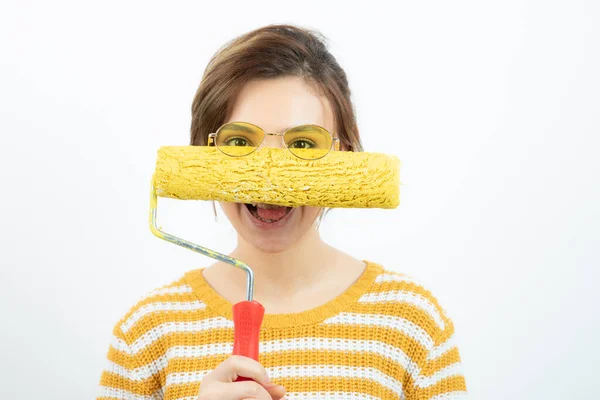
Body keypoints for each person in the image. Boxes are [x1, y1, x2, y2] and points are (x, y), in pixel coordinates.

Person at [97, 24, 467, 400]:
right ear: (200, 153)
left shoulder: (413, 322)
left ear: (347, 155)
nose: (269, 173)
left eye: (303, 144)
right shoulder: (146, 332)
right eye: (240, 141)